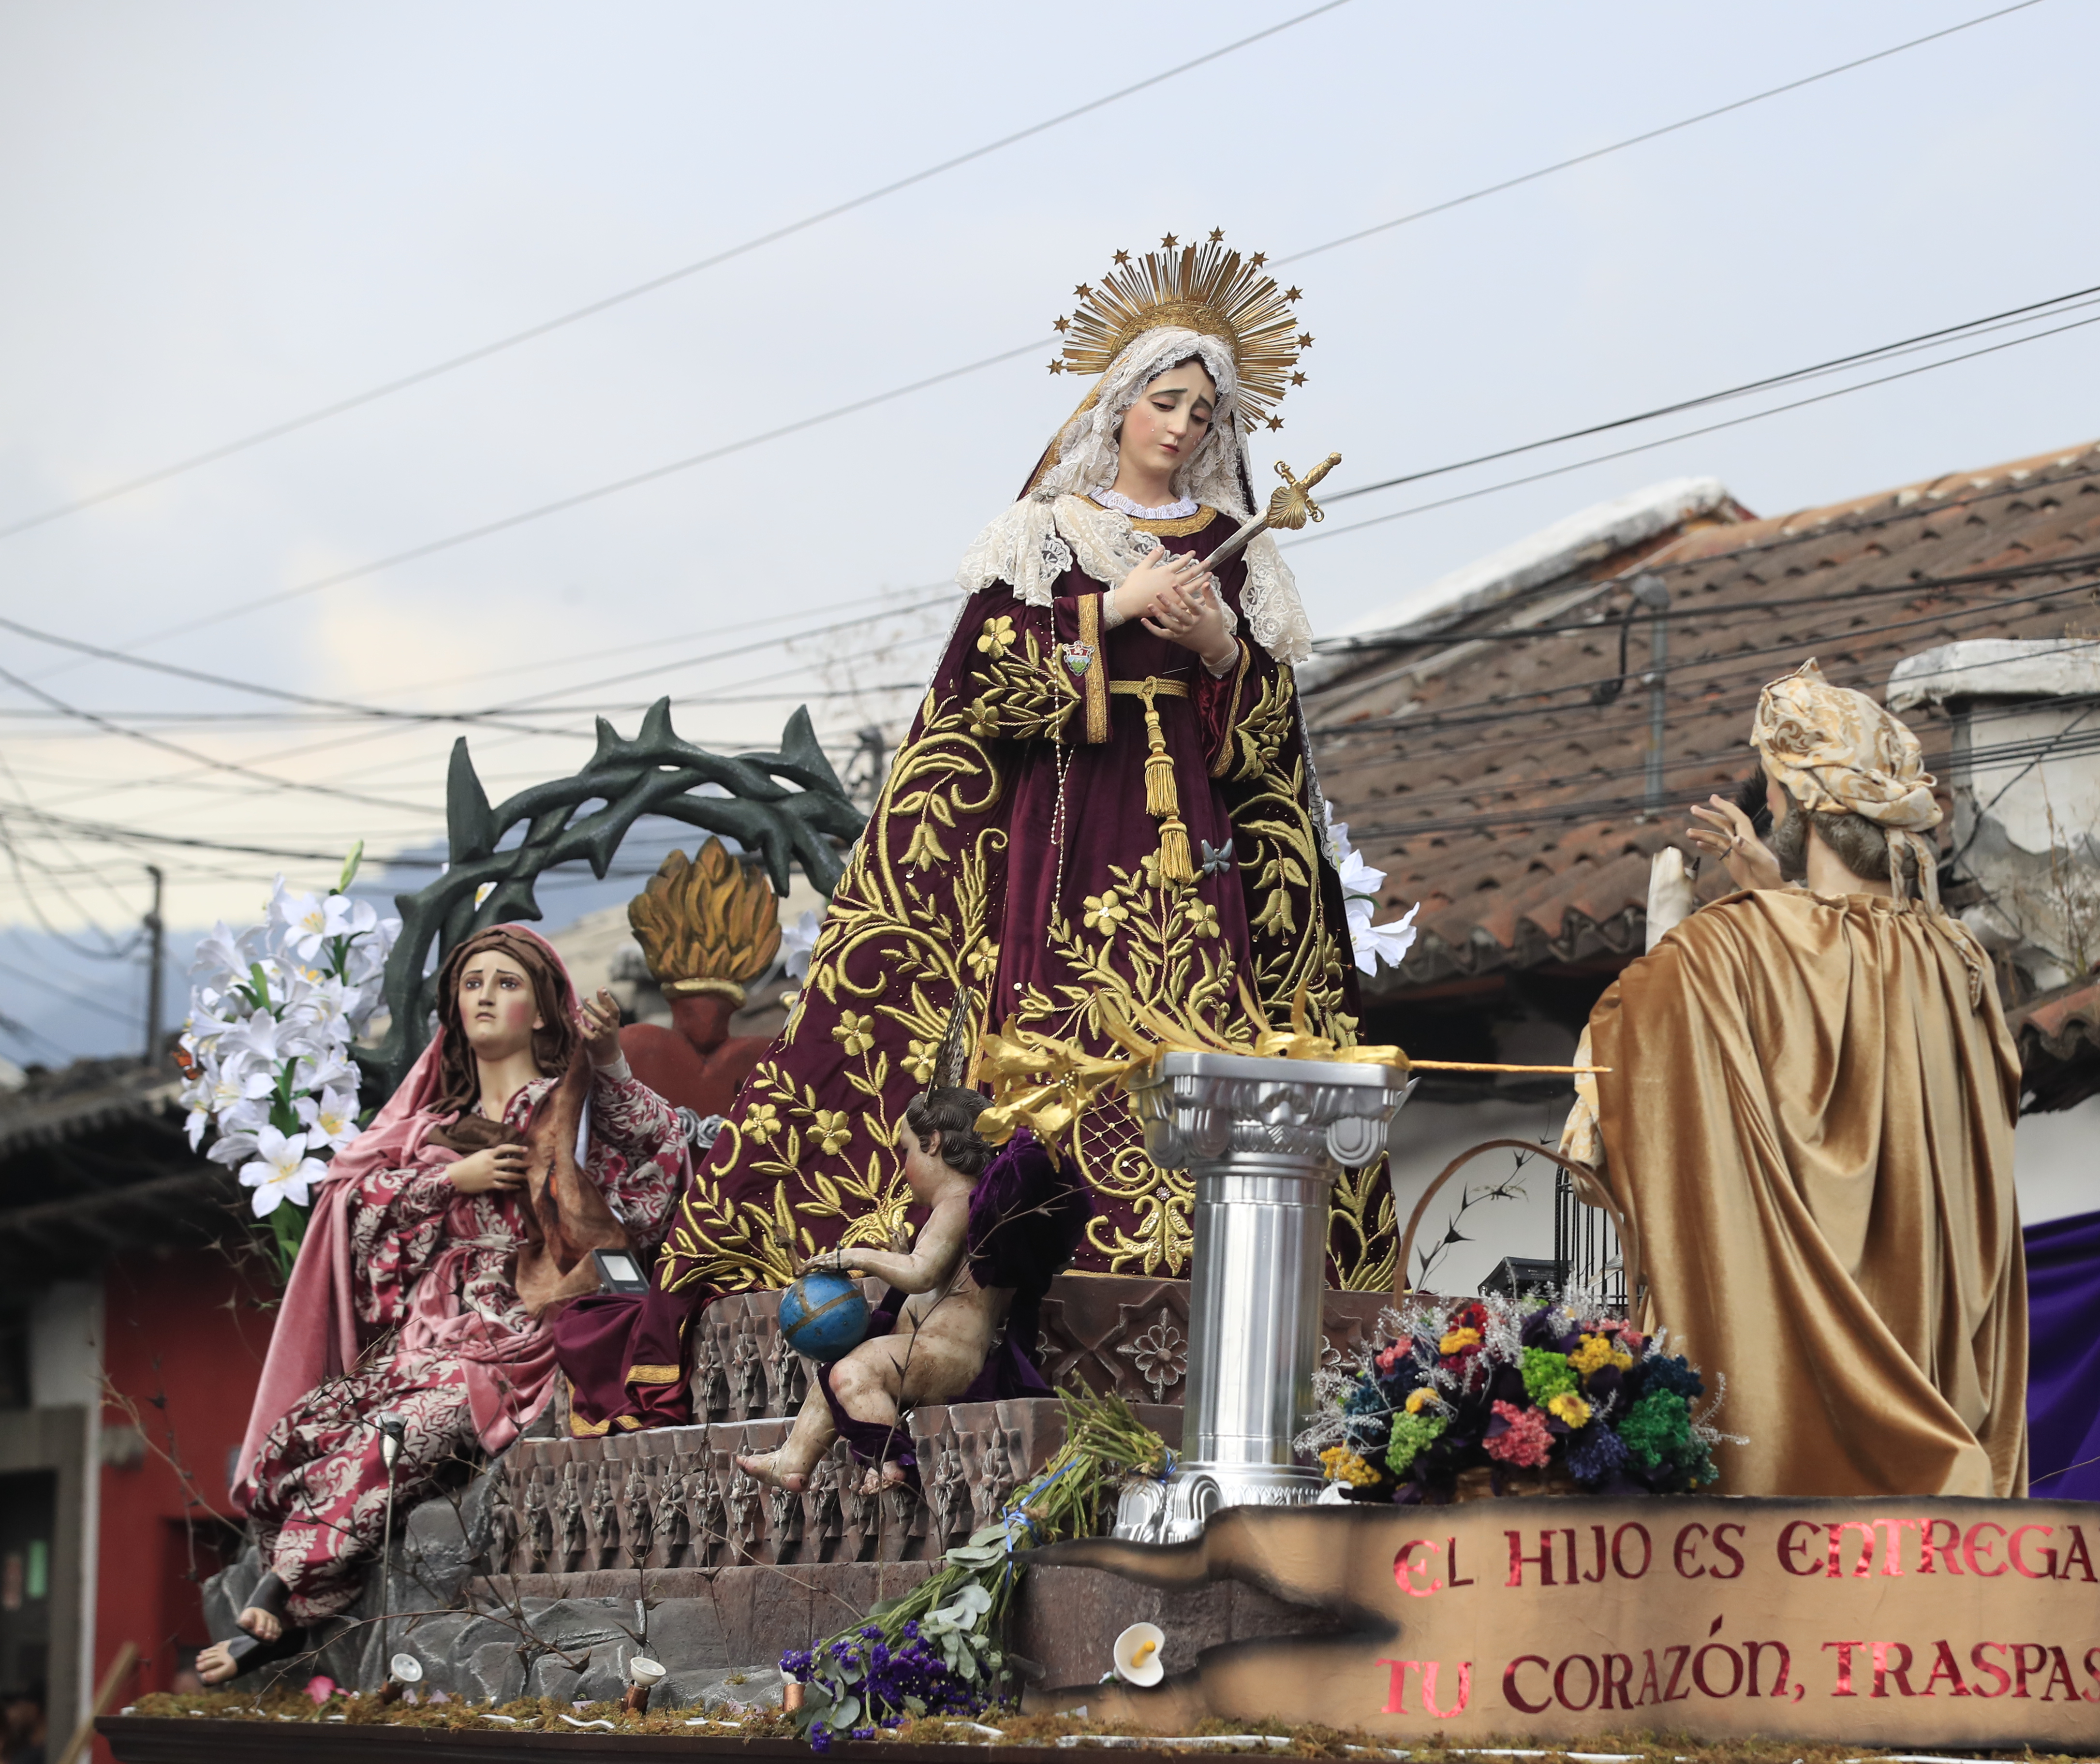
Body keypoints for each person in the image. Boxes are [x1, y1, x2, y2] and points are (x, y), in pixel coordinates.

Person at [566, 237, 1391, 1436]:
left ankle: (1201, 1230)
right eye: (1163, 399)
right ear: (1116, 404)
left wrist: (1218, 649)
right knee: (1061, 1036)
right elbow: (980, 693)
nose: (1179, 423)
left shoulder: (1237, 540)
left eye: (1203, 409)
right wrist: (1112, 612)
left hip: (1197, 845)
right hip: (1071, 834)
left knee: (1209, 1031)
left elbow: (1269, 749)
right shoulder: (1048, 533)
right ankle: (1050, 1232)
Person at [1562, 660, 2026, 1499]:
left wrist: (1670, 927)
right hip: (1949, 1409)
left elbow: (1622, 1092)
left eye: (1773, 787)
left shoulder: (1730, 947)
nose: (1764, 804)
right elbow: (1845, 967)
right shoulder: (1957, 964)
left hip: (1795, 1461)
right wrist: (1776, 896)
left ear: (1803, 800)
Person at [199, 926, 693, 1684]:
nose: (487, 996)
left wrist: (607, 1065)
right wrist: (448, 1181)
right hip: (426, 1331)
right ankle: (294, 1589)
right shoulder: (428, 1129)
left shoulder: (573, 1102)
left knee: (401, 1436)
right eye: (473, 983)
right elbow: (358, 1211)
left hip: (524, 1325)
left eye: (507, 982)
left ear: (542, 1009)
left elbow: (659, 1160)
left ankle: (284, 1597)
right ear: (454, 1008)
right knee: (306, 1437)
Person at [734, 1084, 1089, 1494]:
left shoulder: (959, 1204)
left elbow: (923, 1275)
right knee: (832, 1376)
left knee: (853, 1371)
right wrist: (899, 1255)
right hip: (926, 1347)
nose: (903, 1167)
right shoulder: (961, 1208)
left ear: (933, 1144)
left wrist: (856, 1257)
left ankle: (890, 1459)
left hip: (946, 1353)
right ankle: (794, 1461)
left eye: (907, 1151)